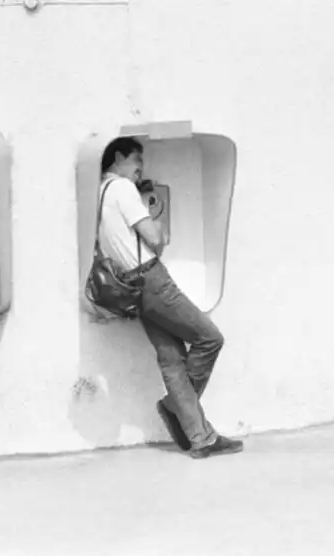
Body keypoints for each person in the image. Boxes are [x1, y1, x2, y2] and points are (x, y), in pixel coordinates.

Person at [97, 137, 243, 459]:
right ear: (119, 156)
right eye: (137, 161)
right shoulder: (122, 188)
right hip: (151, 280)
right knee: (210, 339)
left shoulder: (101, 191)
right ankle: (173, 407)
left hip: (130, 287)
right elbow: (154, 238)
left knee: (172, 358)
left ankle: (200, 438)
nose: (140, 169)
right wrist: (154, 215)